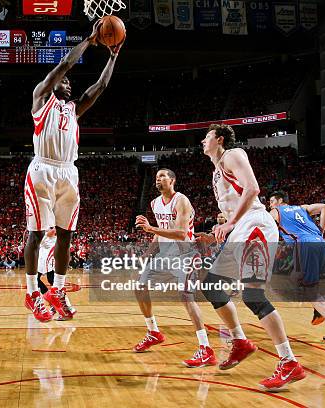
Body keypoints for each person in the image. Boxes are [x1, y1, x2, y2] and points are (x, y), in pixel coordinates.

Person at [24, 19, 122, 322]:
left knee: (66, 235)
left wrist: (113, 55)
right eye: (65, 82)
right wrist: (90, 40)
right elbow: (65, 63)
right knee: (37, 232)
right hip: (42, 169)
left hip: (69, 173)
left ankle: (57, 290)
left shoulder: (73, 109)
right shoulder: (41, 98)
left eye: (69, 83)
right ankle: (31, 293)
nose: (69, 83)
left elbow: (102, 86)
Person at [197, 124, 305, 391]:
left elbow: (253, 189)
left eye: (207, 136)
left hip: (254, 224)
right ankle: (240, 341)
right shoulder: (216, 170)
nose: (202, 140)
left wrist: (230, 223)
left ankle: (289, 362)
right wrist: (220, 232)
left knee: (253, 296)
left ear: (219, 139)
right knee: (211, 284)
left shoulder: (232, 155)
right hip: (241, 229)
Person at [133, 169, 216, 368]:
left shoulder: (181, 201)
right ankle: (153, 331)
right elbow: (160, 233)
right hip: (164, 256)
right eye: (156, 177)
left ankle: (206, 349)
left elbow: (179, 234)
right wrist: (147, 254)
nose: (158, 179)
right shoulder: (154, 203)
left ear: (172, 180)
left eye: (162, 176)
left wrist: (151, 228)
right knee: (140, 287)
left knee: (186, 297)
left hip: (185, 255)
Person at [268, 191, 325, 343]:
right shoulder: (302, 207)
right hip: (320, 242)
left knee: (305, 287)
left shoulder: (275, 211)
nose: (270, 204)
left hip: (304, 245)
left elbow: (266, 225)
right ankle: (318, 310)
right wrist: (321, 230)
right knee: (303, 281)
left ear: (280, 201)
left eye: (272, 201)